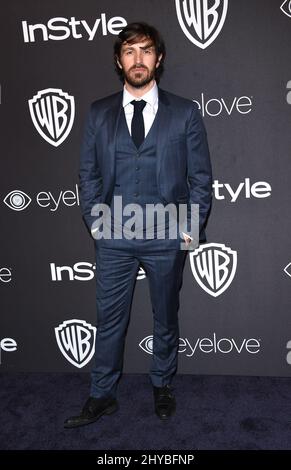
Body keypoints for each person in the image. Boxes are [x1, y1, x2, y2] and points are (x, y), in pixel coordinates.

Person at [64, 22, 212, 428]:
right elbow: (88, 174)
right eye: (129, 51)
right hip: (115, 236)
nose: (138, 59)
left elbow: (201, 177)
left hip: (167, 234)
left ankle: (162, 384)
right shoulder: (98, 113)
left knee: (166, 315)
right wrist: (96, 223)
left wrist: (189, 228)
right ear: (119, 60)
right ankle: (101, 394)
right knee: (110, 319)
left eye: (146, 50)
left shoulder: (184, 112)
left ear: (158, 59)